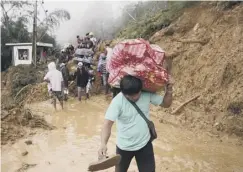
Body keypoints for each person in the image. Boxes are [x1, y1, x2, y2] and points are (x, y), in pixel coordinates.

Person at [98, 75, 173, 172]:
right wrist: (103, 143)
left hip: (144, 145)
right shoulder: (117, 102)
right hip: (124, 148)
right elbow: (107, 125)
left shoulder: (146, 94)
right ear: (124, 94)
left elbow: (166, 104)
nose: (135, 97)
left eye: (137, 93)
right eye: (131, 95)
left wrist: (169, 90)